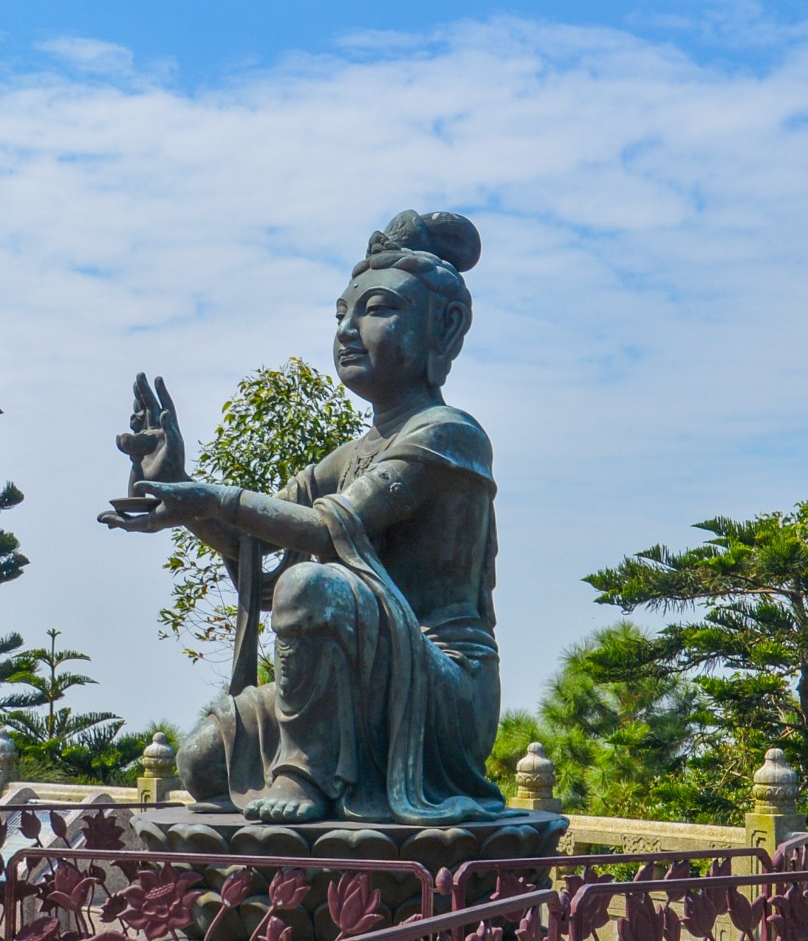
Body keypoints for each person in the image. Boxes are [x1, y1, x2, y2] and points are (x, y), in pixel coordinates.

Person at [101, 210, 508, 827]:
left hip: (439, 685)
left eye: (376, 309)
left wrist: (209, 497)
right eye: (340, 314)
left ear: (444, 329)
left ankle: (304, 771)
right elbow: (254, 552)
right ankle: (306, 766)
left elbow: (320, 532)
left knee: (312, 584)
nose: (348, 330)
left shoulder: (448, 436)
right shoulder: (351, 455)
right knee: (201, 763)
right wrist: (179, 492)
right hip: (360, 685)